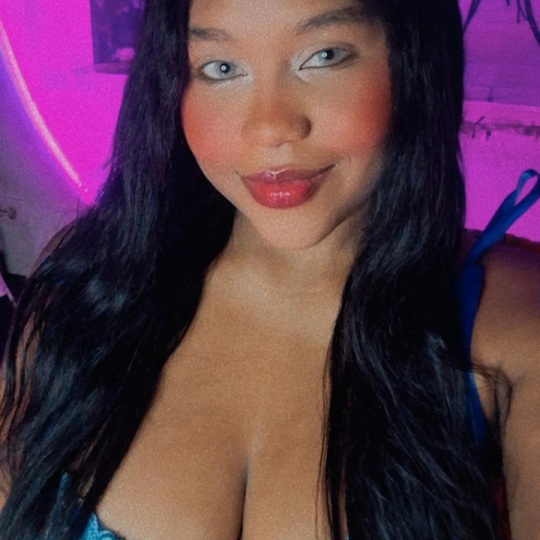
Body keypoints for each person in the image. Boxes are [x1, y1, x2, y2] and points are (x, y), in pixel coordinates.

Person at [0, 0, 539, 538]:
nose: (270, 128)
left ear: (414, 59)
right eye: (221, 68)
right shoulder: (88, 286)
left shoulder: (514, 331)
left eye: (324, 56)